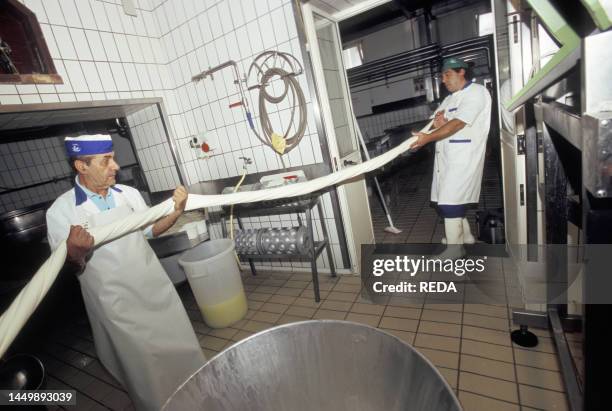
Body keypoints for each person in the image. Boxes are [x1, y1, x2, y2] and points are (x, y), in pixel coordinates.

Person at [46, 134, 206, 410]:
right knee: (145, 369)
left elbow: (151, 229)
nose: (116, 166)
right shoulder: (61, 212)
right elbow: (70, 267)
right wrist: (75, 252)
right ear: (81, 166)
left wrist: (176, 211)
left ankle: (200, 396)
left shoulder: (128, 195)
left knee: (182, 348)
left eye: (113, 158)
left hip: (154, 289)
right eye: (106, 160)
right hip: (117, 306)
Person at [411, 57, 492, 255]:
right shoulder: (449, 99)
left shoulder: (477, 93)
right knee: (449, 199)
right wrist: (435, 125)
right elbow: (437, 122)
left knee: (450, 201)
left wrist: (427, 138)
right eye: (442, 76)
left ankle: (455, 249)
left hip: (464, 156)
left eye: (447, 75)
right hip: (447, 158)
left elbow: (457, 123)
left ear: (461, 72)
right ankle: (465, 236)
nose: (443, 80)